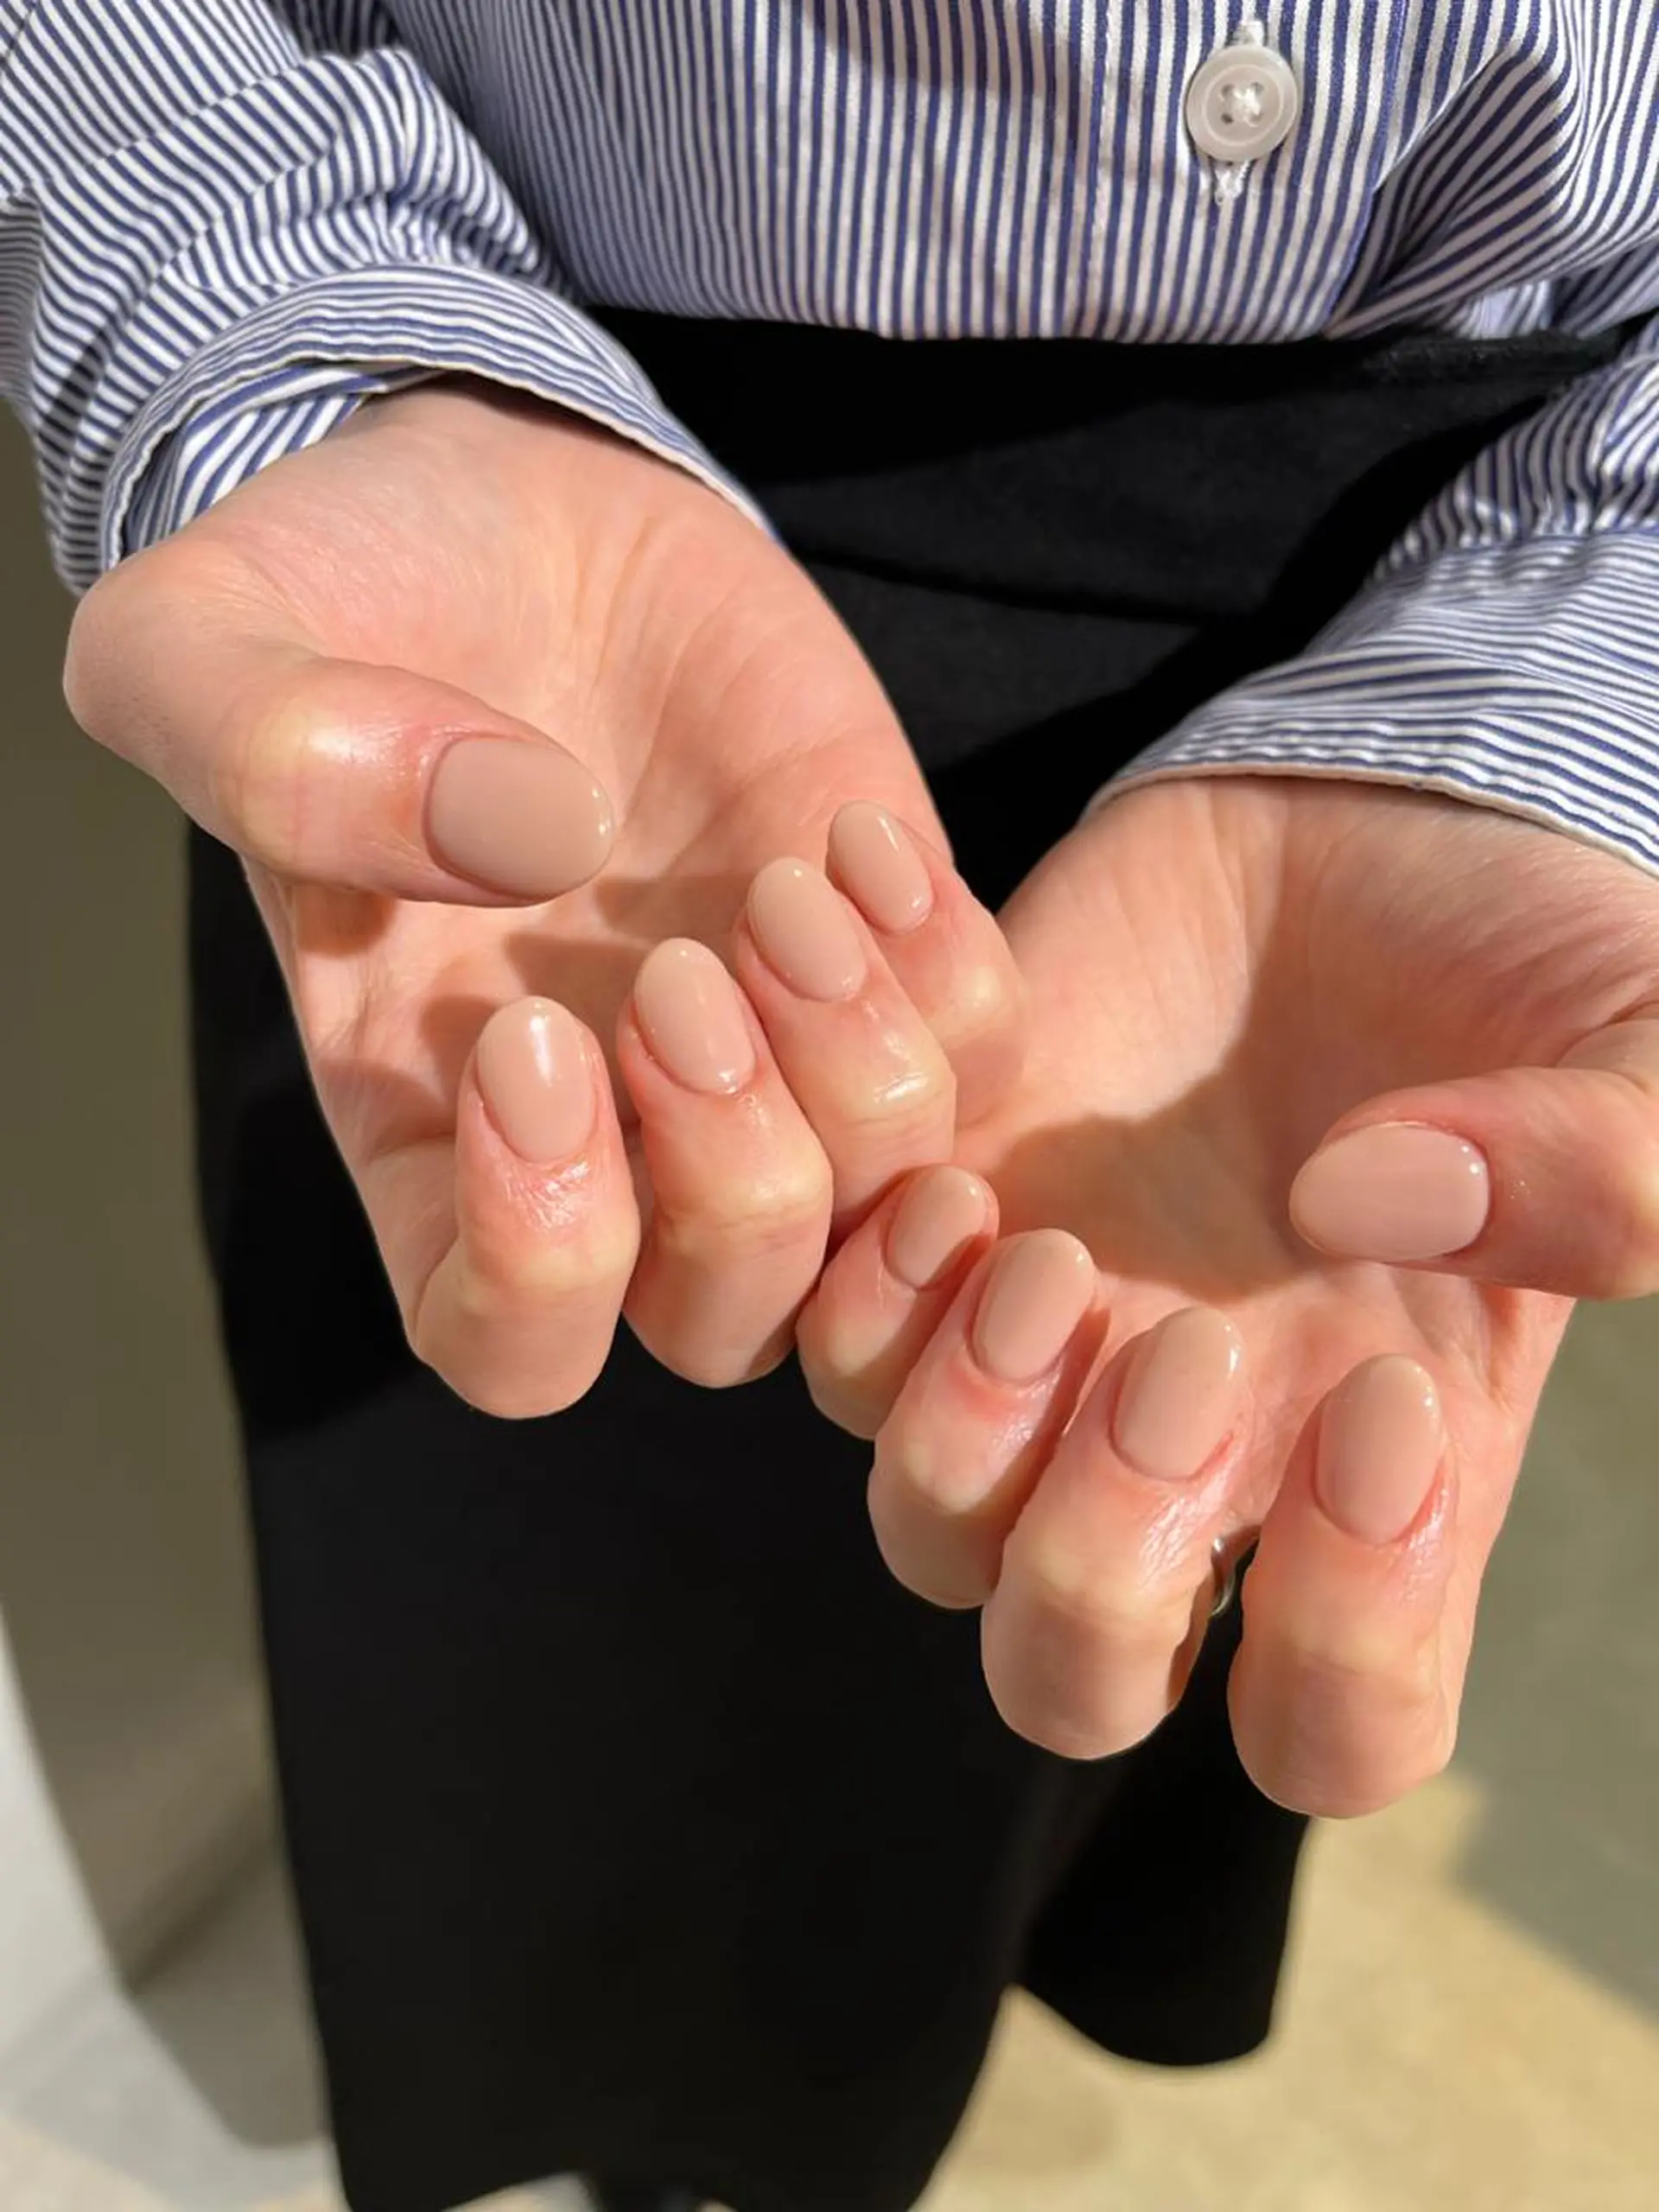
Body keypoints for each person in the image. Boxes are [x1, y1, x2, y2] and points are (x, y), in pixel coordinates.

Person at [5, 5, 1658, 2209]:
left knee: (1147, 1568)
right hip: (525, 532)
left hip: (1471, 572)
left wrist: (1603, 662)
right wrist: (289, 327)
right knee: (554, 1649)